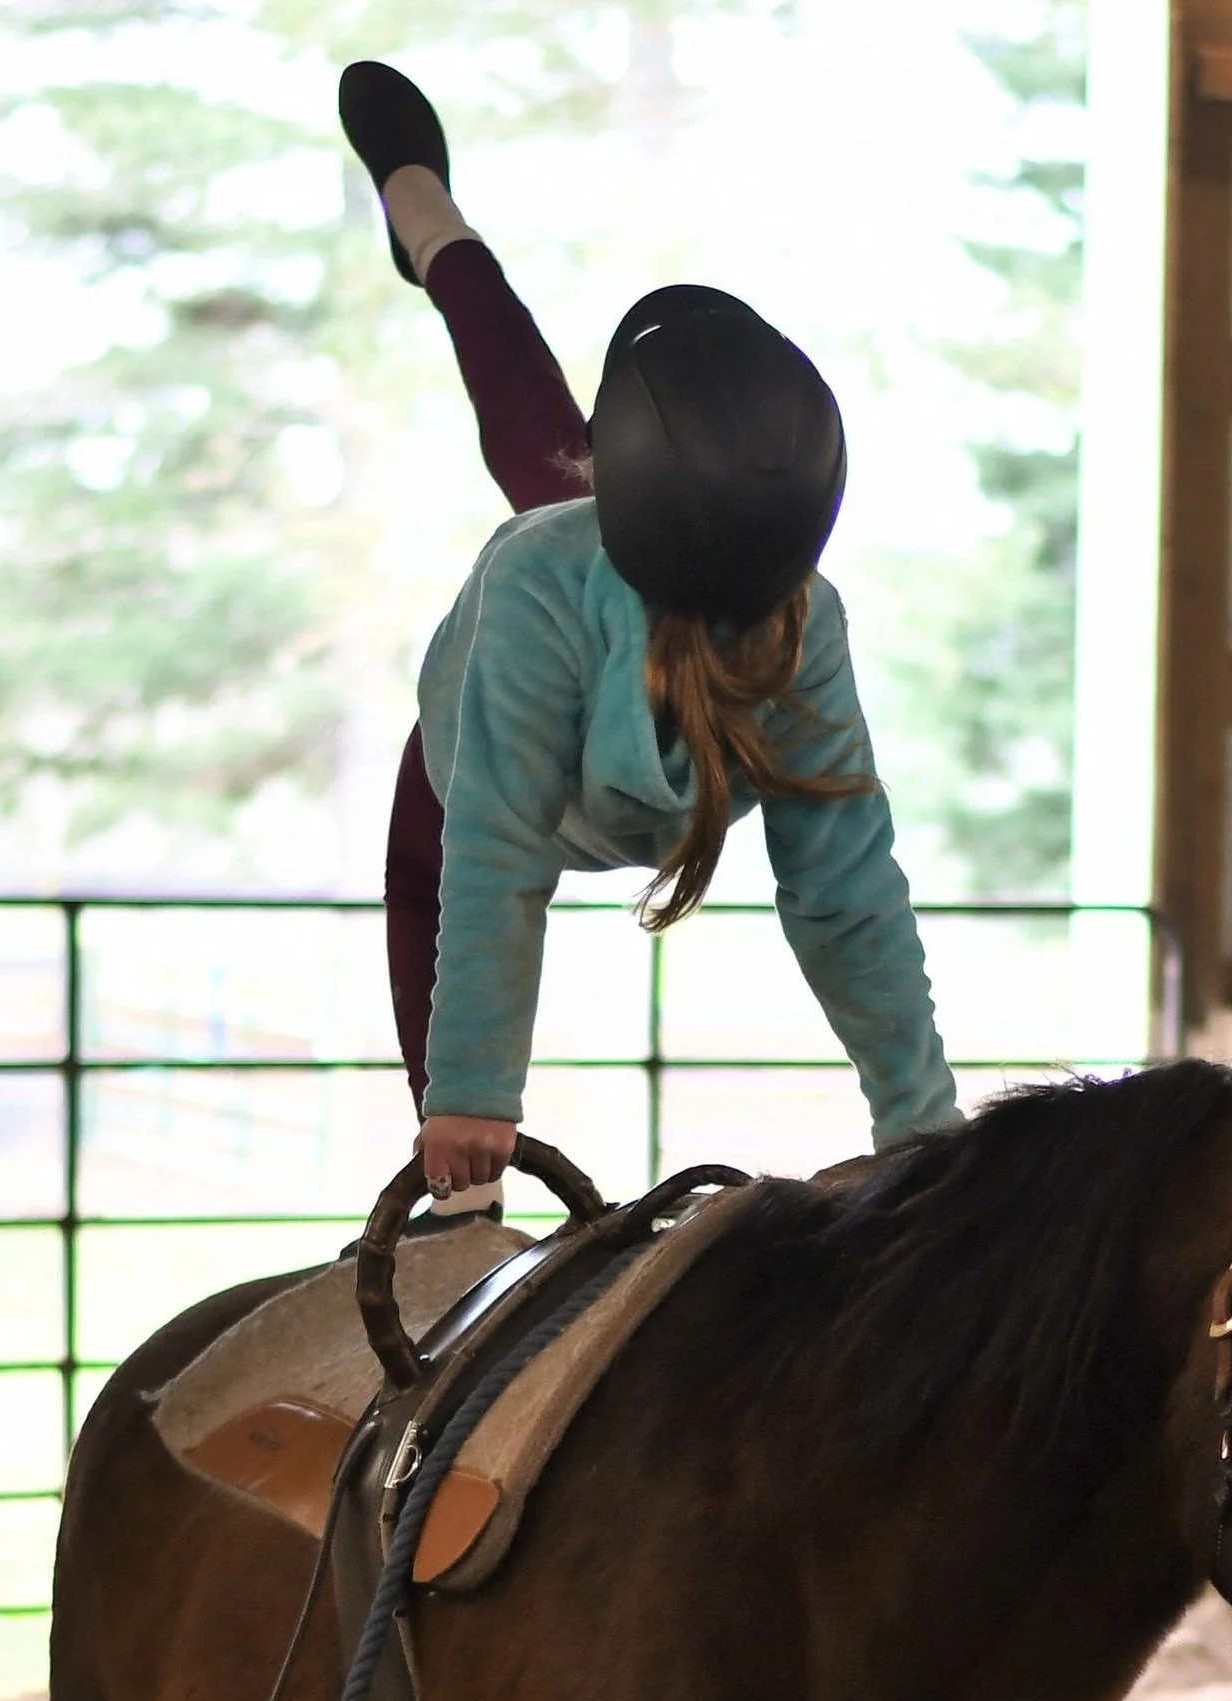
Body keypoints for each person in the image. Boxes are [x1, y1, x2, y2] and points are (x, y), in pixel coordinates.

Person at [339, 62, 960, 1213]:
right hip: (478, 756)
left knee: (542, 443)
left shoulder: (802, 619)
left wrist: (920, 1119)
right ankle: (420, 208)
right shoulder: (537, 582)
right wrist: (470, 1096)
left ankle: (426, 216)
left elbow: (845, 883)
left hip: (610, 597)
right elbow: (494, 856)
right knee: (522, 417)